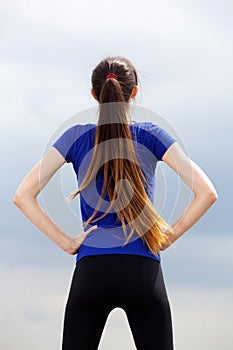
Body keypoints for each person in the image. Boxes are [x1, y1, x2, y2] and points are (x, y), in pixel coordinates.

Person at [13, 56, 218, 350]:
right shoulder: (152, 134)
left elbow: (22, 195)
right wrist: (168, 237)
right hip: (143, 270)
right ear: (134, 93)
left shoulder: (75, 136)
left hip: (91, 270)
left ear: (94, 95)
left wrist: (66, 242)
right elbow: (207, 193)